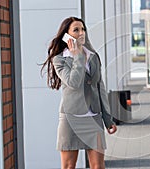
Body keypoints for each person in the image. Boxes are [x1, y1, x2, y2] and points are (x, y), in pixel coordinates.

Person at [41, 17, 117, 169]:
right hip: (71, 120)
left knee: (98, 166)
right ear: (66, 35)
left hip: (94, 118)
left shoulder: (94, 56)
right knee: (69, 166)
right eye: (76, 30)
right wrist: (78, 57)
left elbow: (99, 87)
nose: (81, 33)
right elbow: (74, 82)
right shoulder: (60, 59)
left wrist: (108, 119)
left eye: (83, 29)